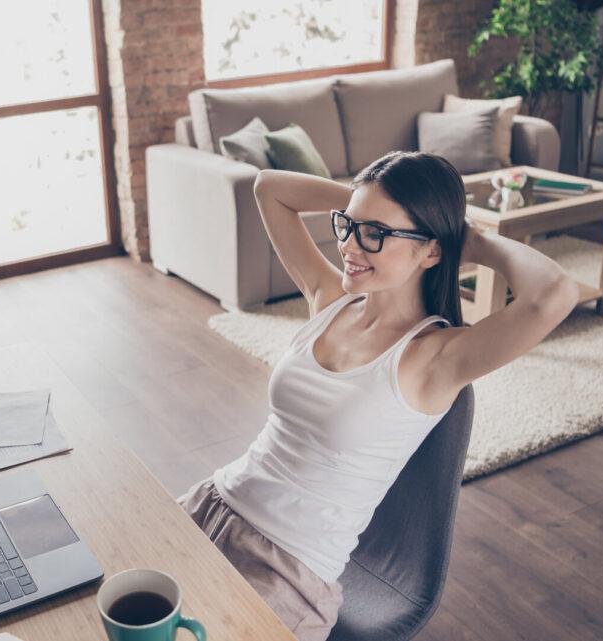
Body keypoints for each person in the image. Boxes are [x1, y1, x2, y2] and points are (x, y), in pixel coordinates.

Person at [177, 151, 579, 640]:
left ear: (431, 251)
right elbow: (269, 188)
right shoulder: (330, 301)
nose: (348, 244)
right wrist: (366, 204)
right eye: (347, 225)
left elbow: (554, 293)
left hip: (286, 570)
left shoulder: (435, 358)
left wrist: (471, 240)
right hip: (214, 503)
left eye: (375, 234)